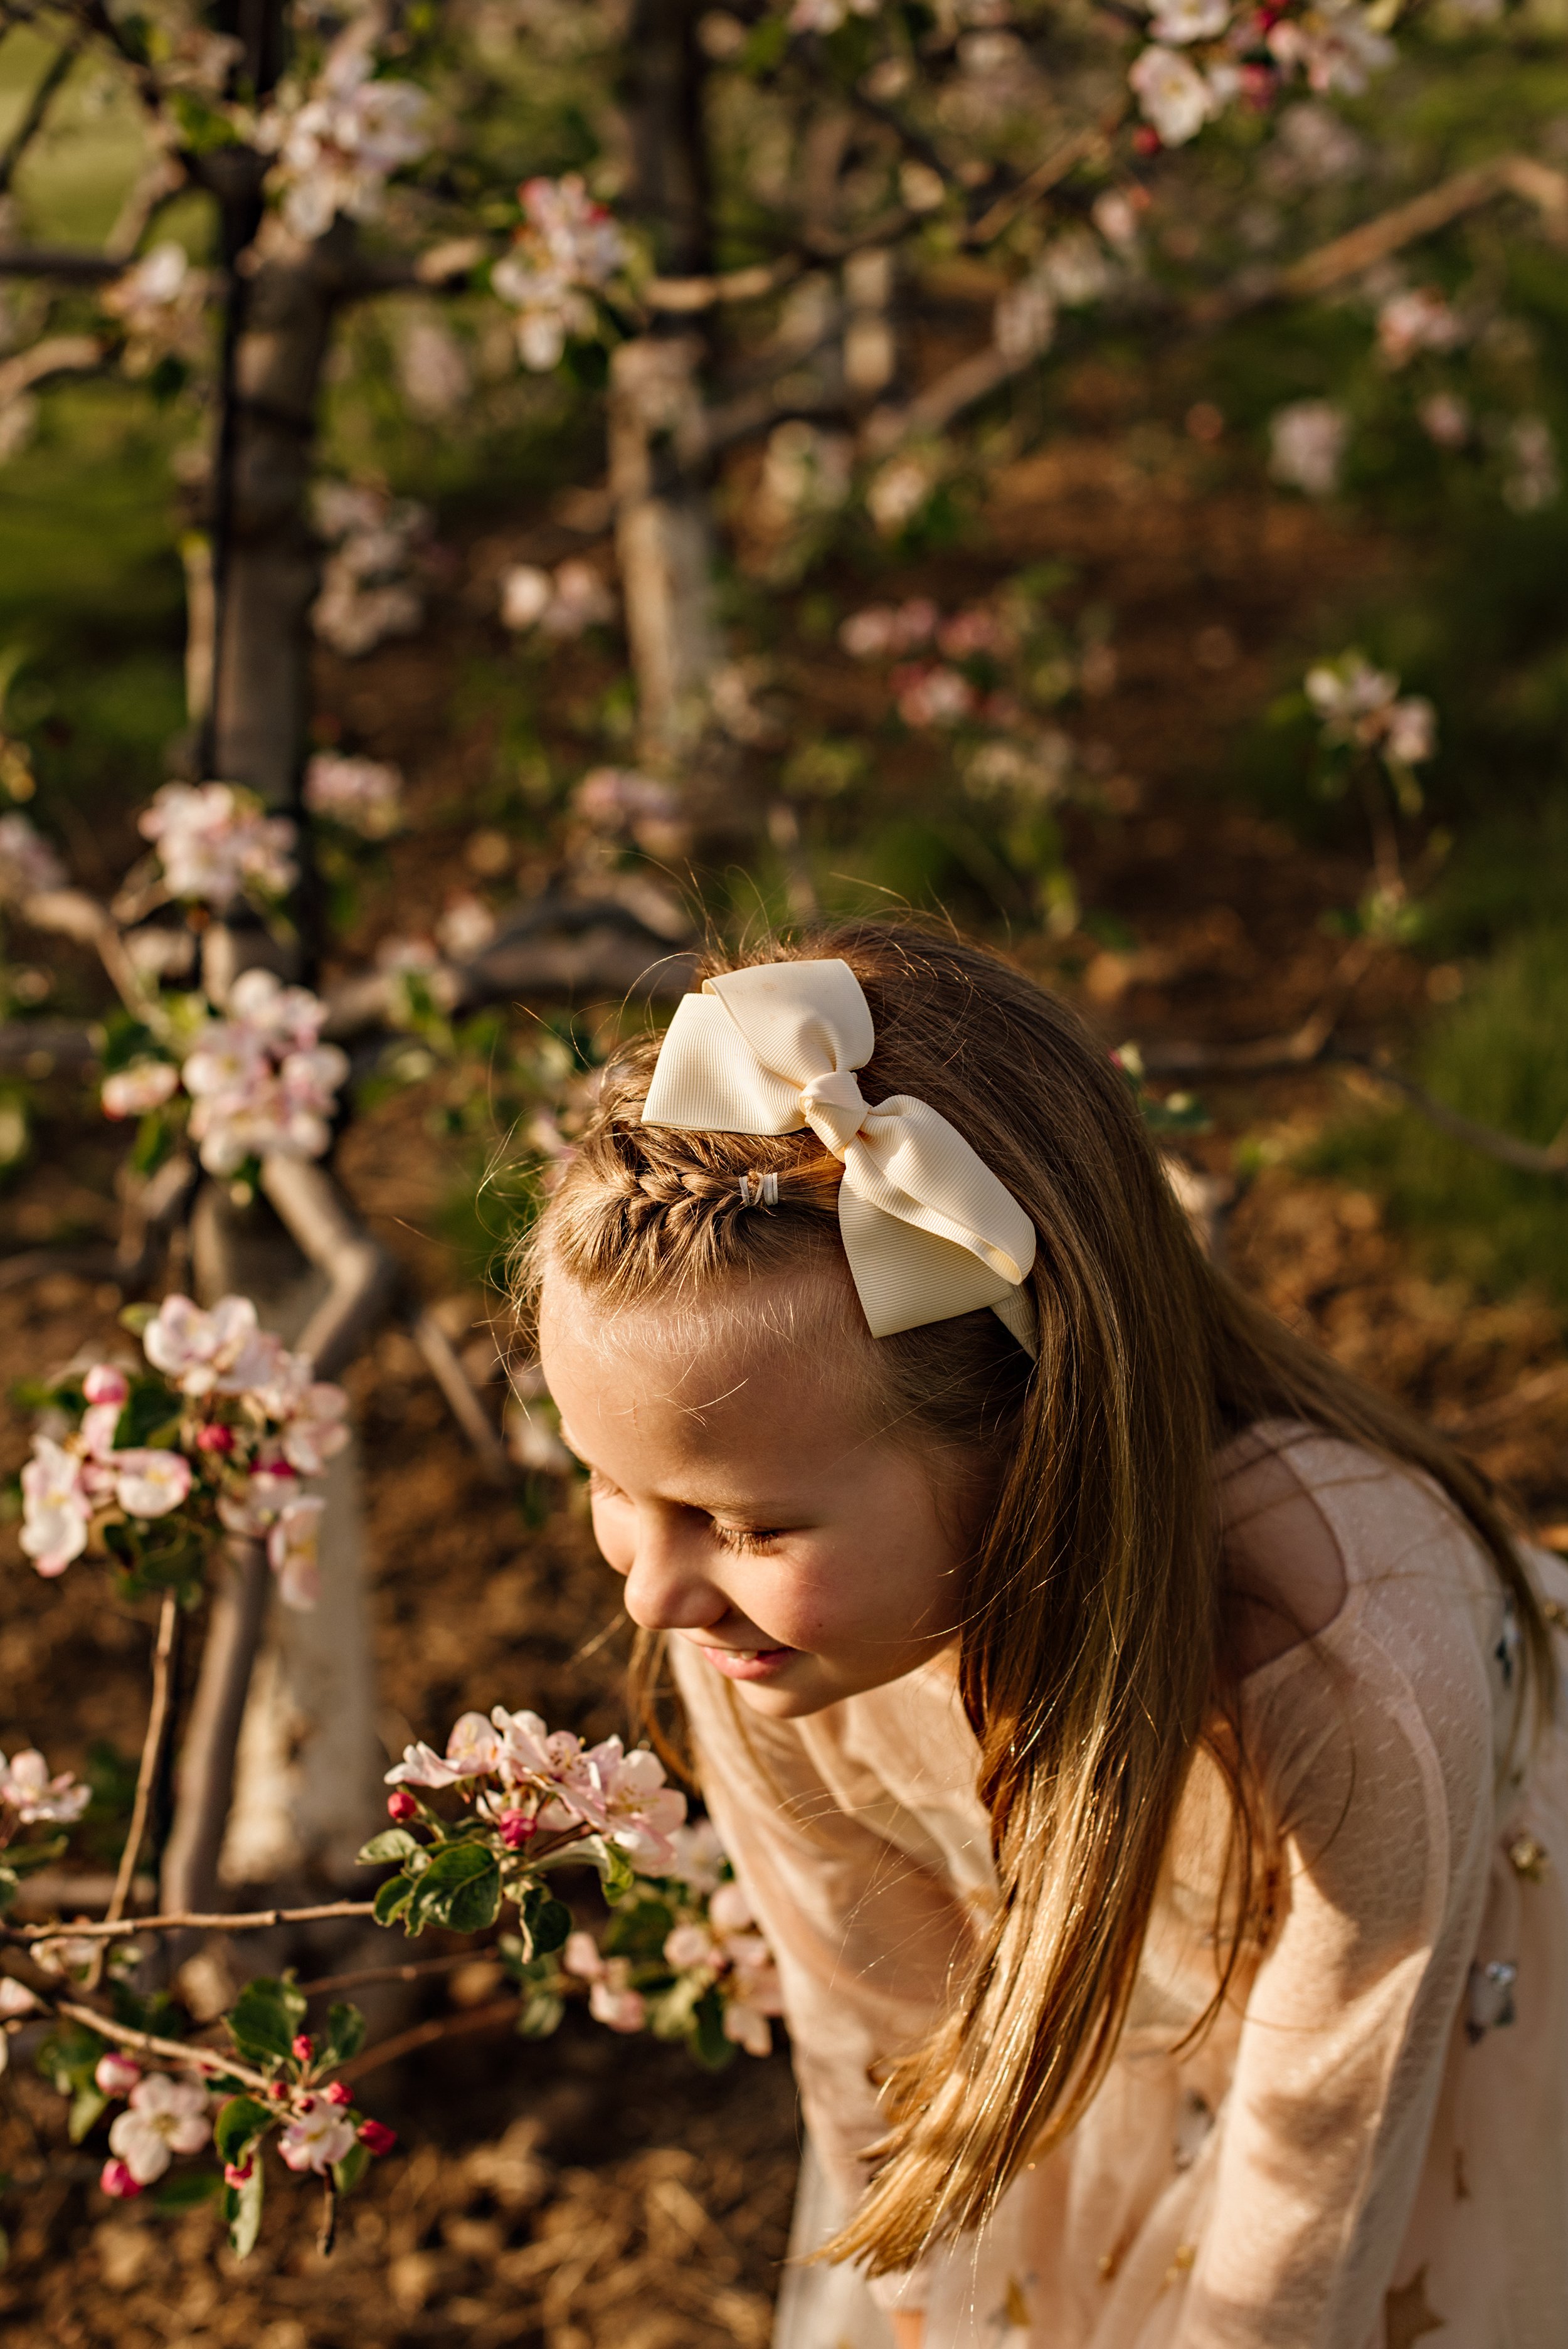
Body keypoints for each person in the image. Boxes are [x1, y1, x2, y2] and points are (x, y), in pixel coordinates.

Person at [521, 923, 1568, 2349]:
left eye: (749, 1525)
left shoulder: (1351, 1661)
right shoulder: (751, 1632)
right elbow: (881, 2048)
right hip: (1098, 2035)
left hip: (1414, 2038)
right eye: (606, 1486)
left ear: (1030, 1434)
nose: (649, 1591)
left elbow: (1308, 2203)